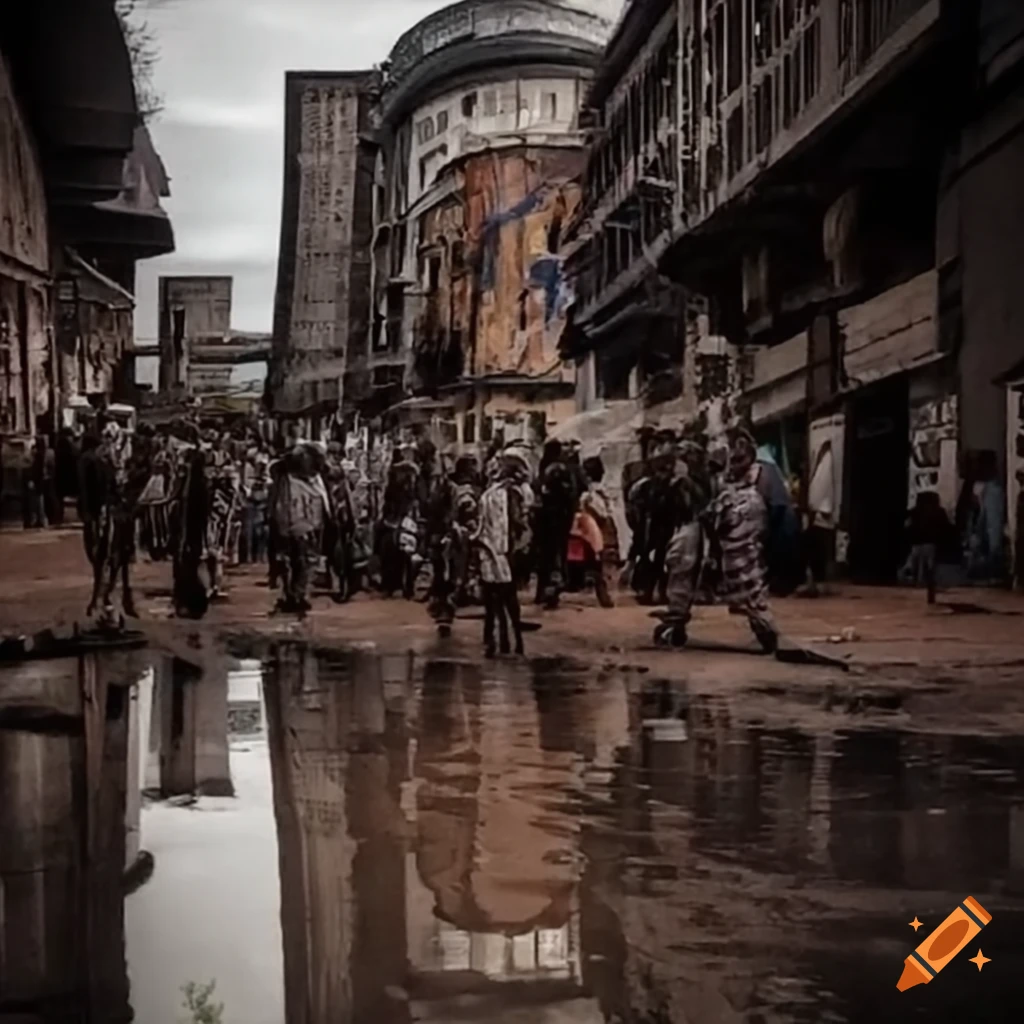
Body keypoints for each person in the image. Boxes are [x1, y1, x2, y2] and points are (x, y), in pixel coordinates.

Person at [656, 430, 778, 652]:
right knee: (684, 564)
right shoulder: (697, 480)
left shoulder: (748, 481)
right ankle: (676, 619)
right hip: (710, 527)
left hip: (731, 529)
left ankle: (763, 625)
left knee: (743, 574)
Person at [475, 455, 524, 656]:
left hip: (490, 550)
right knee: (509, 599)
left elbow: (481, 527)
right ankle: (513, 641)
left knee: (492, 599)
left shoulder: (488, 496)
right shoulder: (511, 495)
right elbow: (518, 523)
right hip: (505, 551)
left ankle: (493, 639)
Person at [272, 445, 327, 615]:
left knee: (306, 563)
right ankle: (291, 595)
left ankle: (298, 594)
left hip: (309, 526)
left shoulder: (315, 480)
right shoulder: (286, 480)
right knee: (291, 562)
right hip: (292, 526)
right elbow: (282, 506)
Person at [533, 440, 578, 609]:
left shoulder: (550, 469)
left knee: (547, 559)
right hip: (558, 521)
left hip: (548, 520)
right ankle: (550, 593)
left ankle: (545, 593)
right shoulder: (561, 469)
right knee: (555, 558)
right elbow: (572, 494)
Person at [580, 455, 619, 608]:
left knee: (598, 564)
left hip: (595, 530)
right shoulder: (605, 491)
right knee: (604, 565)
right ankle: (605, 596)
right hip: (606, 529)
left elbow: (600, 513)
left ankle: (605, 596)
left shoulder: (589, 495)